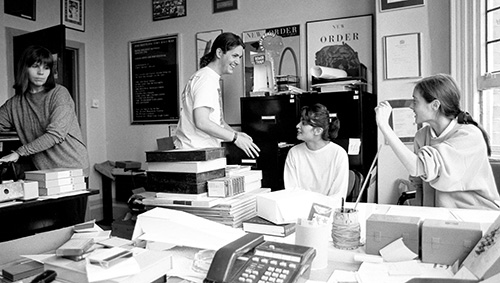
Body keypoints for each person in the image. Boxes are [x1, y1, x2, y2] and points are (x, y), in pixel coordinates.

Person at [375, 73, 500, 210]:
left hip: (478, 218)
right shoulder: (422, 136)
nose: (411, 106)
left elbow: (418, 168)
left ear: (435, 105)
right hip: (441, 219)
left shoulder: (469, 136)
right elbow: (419, 184)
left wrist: (384, 126)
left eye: (415, 101)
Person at [0, 45, 90, 177]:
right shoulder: (14, 104)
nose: (41, 72)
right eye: (35, 66)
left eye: (46, 68)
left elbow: (56, 134)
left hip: (72, 168)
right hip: (43, 172)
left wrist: (19, 153)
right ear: (24, 68)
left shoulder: (59, 93)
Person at [175, 32, 260, 158]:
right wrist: (235, 138)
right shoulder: (206, 79)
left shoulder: (208, 77)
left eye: (240, 58)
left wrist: (236, 133)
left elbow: (217, 121)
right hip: (195, 153)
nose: (237, 62)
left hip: (200, 153)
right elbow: (202, 121)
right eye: (234, 56)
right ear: (219, 53)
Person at [283, 103, 349, 198]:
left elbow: (337, 195)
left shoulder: (338, 154)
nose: (298, 126)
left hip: (328, 210)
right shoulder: (294, 153)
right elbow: (291, 191)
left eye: (304, 123)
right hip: (301, 208)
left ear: (318, 131)